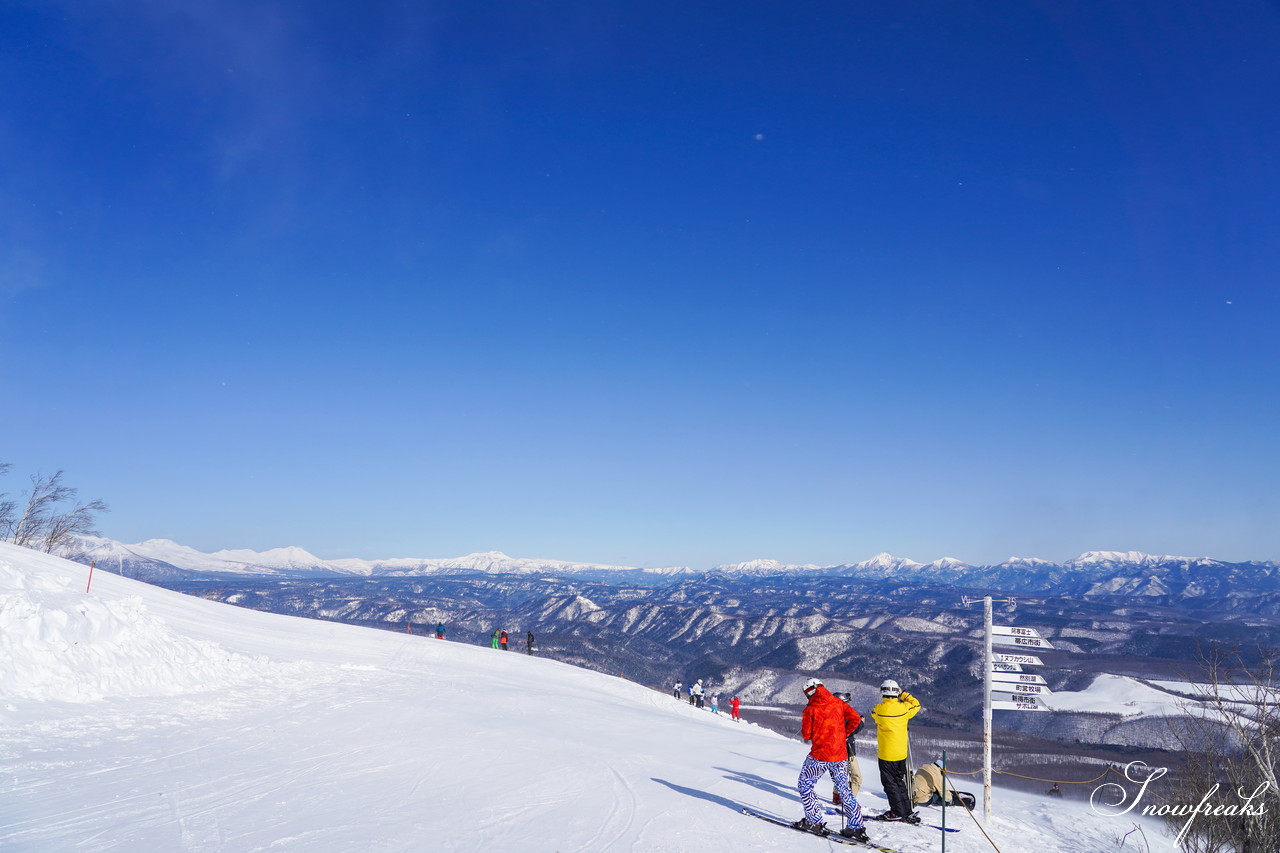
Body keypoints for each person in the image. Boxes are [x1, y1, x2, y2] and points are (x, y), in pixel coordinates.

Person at [791, 678, 870, 843]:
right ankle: (856, 826)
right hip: (840, 754)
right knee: (844, 789)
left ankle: (814, 821)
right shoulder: (837, 702)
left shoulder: (811, 709)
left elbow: (806, 735)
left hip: (820, 755)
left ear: (809, 693)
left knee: (805, 784)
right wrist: (844, 734)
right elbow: (855, 719)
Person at [872, 679, 922, 824]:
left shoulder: (879, 710)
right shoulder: (904, 709)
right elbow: (916, 704)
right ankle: (906, 811)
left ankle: (897, 812)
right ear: (896, 693)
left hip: (886, 754)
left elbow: (873, 714)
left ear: (883, 692)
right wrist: (904, 694)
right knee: (900, 782)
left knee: (890, 784)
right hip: (901, 753)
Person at [832, 692, 863, 803]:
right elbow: (851, 730)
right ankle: (850, 803)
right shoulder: (843, 716)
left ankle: (837, 797)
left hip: (836, 752)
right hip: (848, 750)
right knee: (856, 777)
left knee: (841, 775)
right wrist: (861, 722)